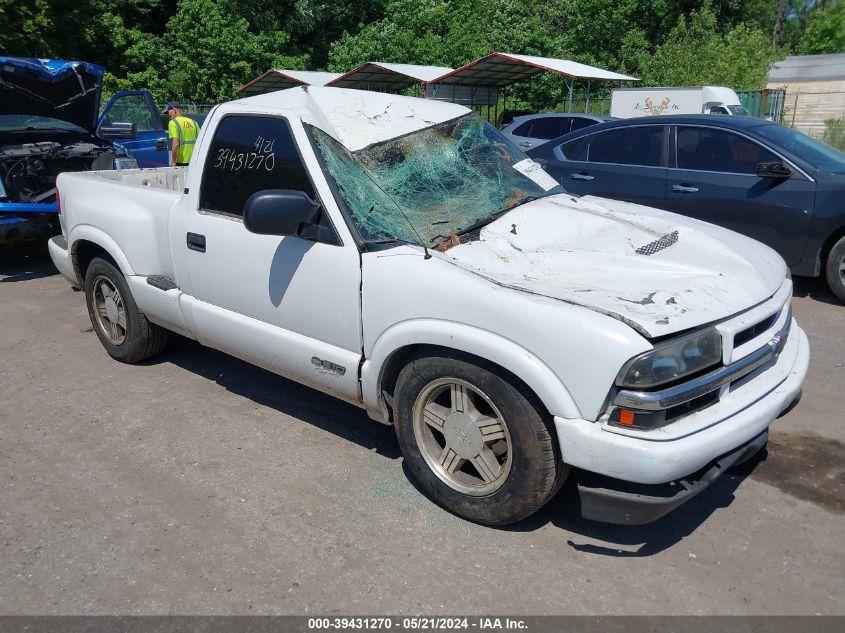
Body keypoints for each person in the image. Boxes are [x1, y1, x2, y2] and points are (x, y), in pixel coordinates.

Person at [163, 101, 199, 166]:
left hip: (181, 161)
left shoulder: (173, 123)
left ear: (174, 110)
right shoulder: (194, 122)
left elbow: (175, 144)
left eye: (168, 112)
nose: (167, 115)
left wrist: (173, 162)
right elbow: (201, 141)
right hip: (194, 160)